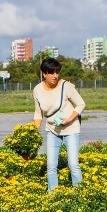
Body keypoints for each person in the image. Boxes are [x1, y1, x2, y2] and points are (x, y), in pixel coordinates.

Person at [31, 57, 86, 191]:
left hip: (71, 128)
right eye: (51, 72)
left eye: (57, 72)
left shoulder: (66, 86)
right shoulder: (37, 90)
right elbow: (38, 114)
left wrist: (70, 118)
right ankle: (53, 195)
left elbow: (81, 104)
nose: (55, 76)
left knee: (73, 164)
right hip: (52, 130)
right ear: (44, 73)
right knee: (51, 166)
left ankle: (79, 194)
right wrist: (33, 131)